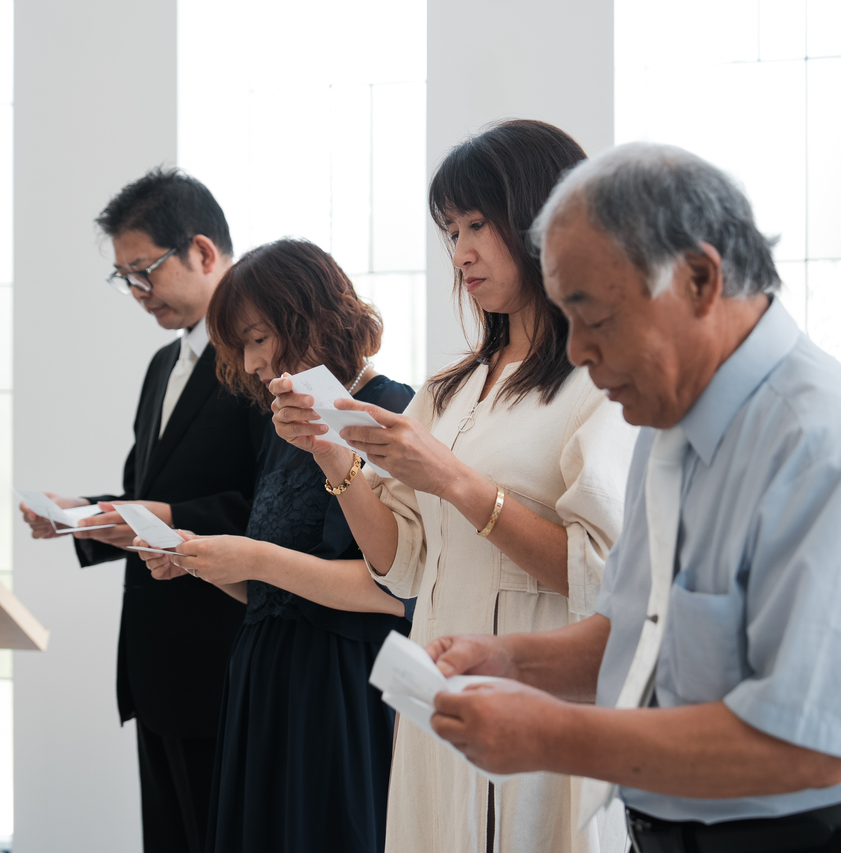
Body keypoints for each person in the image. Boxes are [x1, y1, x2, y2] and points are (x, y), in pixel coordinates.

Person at [424, 142, 841, 853]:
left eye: (594, 315)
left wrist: (550, 733)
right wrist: (512, 662)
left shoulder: (831, 448)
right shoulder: (669, 423)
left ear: (700, 279)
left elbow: (808, 742)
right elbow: (642, 633)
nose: (578, 351)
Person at [270, 120, 636, 853]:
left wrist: (456, 482)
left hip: (539, 688)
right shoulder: (449, 389)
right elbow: (400, 562)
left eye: (477, 225)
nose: (460, 251)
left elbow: (601, 576)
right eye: (449, 230)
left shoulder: (601, 383)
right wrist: (330, 457)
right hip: (438, 681)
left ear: (542, 222)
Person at [136, 238, 415, 853]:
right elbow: (270, 591)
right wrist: (202, 561)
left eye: (259, 338)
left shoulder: (392, 408)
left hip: (339, 688)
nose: (254, 363)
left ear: (308, 316)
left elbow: (396, 591)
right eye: (242, 346)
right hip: (264, 681)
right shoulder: (281, 428)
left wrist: (253, 556)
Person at [18, 168, 267, 853]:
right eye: (123, 275)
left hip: (225, 659)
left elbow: (271, 507)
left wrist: (155, 513)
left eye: (145, 270)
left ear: (204, 252)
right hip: (156, 668)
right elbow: (147, 491)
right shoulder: (164, 364)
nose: (136, 291)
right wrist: (84, 515)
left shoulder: (261, 358)